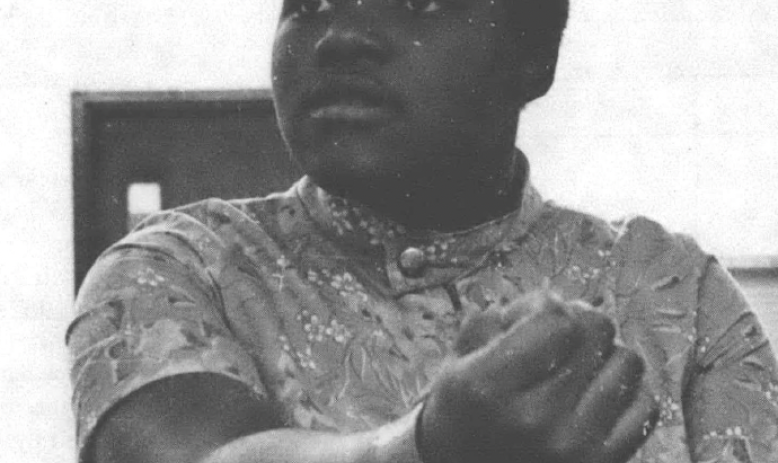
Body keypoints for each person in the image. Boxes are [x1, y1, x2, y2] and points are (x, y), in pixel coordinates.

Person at [67, 1, 778, 462]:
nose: (339, 34)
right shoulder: (181, 269)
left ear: (534, 53)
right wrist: (423, 448)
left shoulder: (674, 294)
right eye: (304, 3)